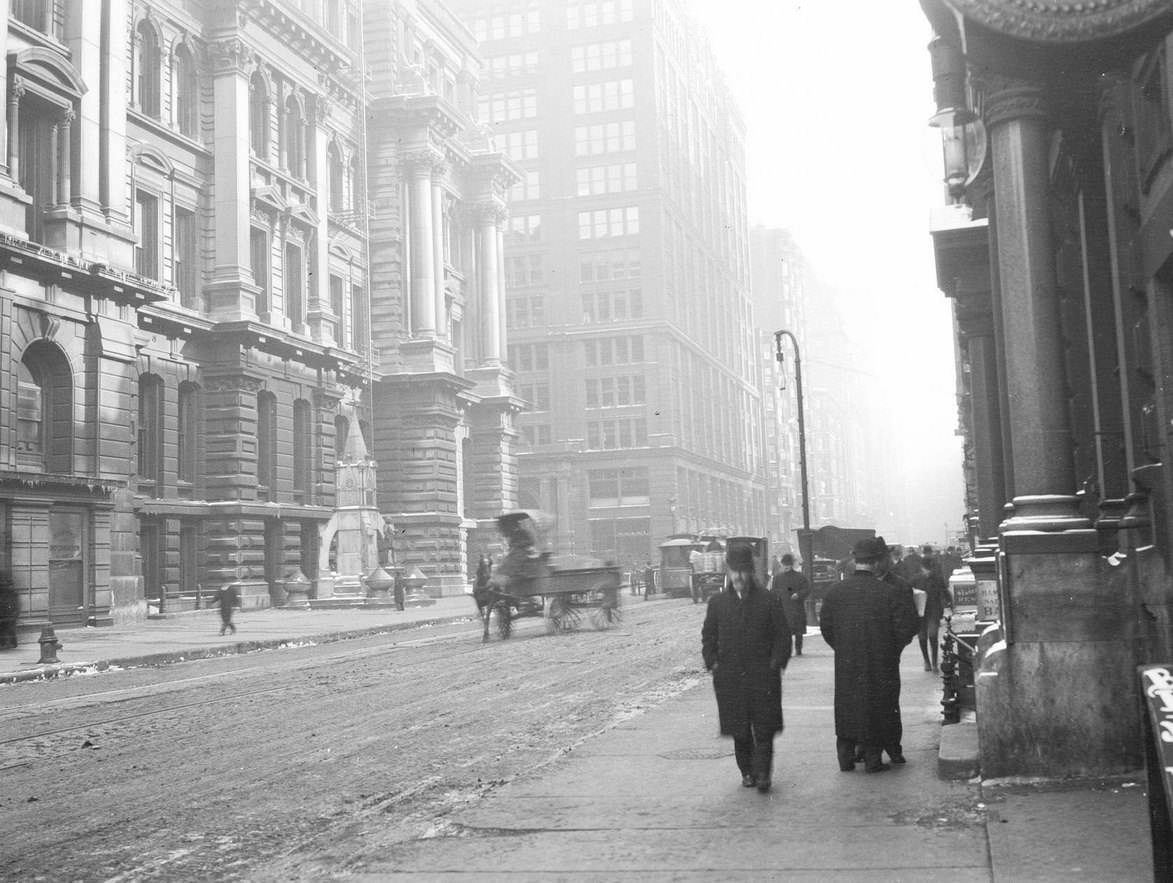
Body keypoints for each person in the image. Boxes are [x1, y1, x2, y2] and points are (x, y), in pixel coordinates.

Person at [819, 537, 917, 773]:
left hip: (846, 660)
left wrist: (843, 647)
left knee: (847, 705)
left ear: (855, 561)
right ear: (875, 563)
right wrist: (889, 649)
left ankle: (845, 757)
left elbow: (826, 627)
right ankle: (873, 759)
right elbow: (904, 628)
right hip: (880, 660)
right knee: (877, 705)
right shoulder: (887, 593)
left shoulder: (834, 592)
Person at [701, 542, 791, 793]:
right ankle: (747, 771)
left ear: (751, 571)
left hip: (763, 677)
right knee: (740, 730)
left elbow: (782, 636)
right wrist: (714, 663)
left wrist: (775, 664)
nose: (739, 576)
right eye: (734, 571)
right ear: (728, 572)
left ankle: (763, 773)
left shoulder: (769, 600)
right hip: (730, 678)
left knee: (764, 728)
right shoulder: (718, 603)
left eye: (743, 571)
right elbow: (708, 637)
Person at [871, 537, 921, 764]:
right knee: (866, 702)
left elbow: (910, 622)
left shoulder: (900, 585)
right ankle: (868, 746)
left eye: (880, 559)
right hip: (865, 653)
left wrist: (895, 646)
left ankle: (893, 746)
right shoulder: (862, 584)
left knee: (889, 702)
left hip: (889, 653)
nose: (877, 564)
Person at [913, 555, 952, 672]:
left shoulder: (936, 578)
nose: (927, 572)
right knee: (923, 637)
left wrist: (949, 602)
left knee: (932, 635)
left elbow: (944, 591)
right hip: (921, 612)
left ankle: (933, 661)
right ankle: (928, 661)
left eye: (928, 569)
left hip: (932, 611)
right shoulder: (916, 579)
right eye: (926, 569)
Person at [769, 553, 811, 656]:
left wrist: (799, 594)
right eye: (784, 564)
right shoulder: (777, 578)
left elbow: (807, 589)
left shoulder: (800, 577)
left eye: (788, 564)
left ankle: (798, 649)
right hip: (783, 607)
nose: (786, 566)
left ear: (791, 565)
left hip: (796, 606)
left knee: (798, 631)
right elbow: (773, 591)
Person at [0, 570, 19, 649]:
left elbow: (15, 603)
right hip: (8, 613)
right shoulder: (12, 592)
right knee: (8, 629)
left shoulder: (10, 592)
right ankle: (9, 643)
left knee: (8, 629)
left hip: (7, 613)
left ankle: (8, 643)